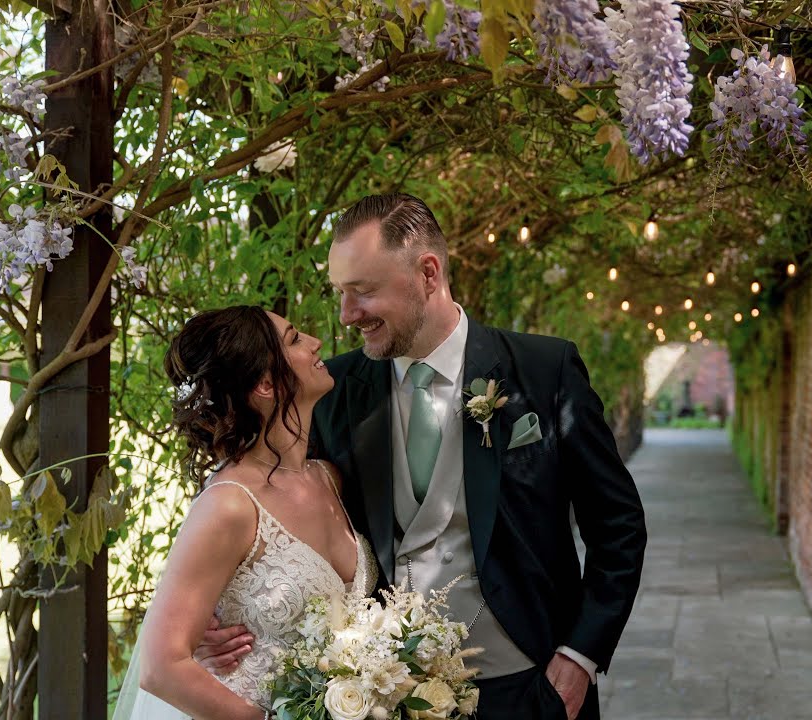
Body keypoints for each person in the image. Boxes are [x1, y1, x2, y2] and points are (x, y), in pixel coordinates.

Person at [199, 193, 648, 719]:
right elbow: (267, 495)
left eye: (362, 292)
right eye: (341, 293)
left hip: (532, 686)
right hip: (386, 698)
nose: (346, 315)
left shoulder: (545, 371)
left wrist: (581, 654)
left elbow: (617, 524)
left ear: (428, 273)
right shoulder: (332, 389)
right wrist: (212, 610)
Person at [113, 306, 376, 719]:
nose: (315, 342)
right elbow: (159, 666)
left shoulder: (329, 479)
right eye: (294, 339)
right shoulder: (230, 505)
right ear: (266, 384)